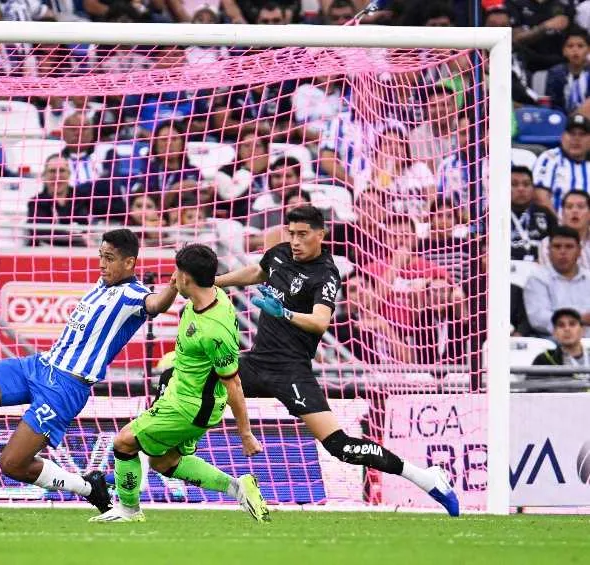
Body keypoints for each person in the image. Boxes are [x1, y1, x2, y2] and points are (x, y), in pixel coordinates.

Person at [0, 229, 179, 514]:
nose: (102, 264)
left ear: (129, 263)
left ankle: (89, 487)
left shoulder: (134, 294)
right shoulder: (103, 284)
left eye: (110, 258)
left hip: (65, 387)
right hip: (39, 365)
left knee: (12, 464)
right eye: (101, 256)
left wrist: (173, 286)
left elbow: (156, 304)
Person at [215, 205, 460, 516]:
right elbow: (257, 271)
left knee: (341, 447)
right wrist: (217, 282)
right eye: (292, 233)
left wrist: (285, 313)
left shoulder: (326, 274)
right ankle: (170, 463)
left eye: (303, 235)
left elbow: (320, 322)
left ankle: (427, 478)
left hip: (291, 372)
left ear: (321, 235)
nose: (295, 241)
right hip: (256, 362)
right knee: (187, 381)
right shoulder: (279, 254)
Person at [90, 244, 270, 523]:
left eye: (177, 272)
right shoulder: (213, 295)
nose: (173, 277)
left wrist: (245, 434)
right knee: (164, 462)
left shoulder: (213, 330)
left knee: (124, 442)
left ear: (186, 277)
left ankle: (128, 510)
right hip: (187, 396)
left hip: (189, 406)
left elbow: (234, 383)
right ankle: (238, 487)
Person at [523, 226, 590, 337]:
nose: (563, 252)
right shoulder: (537, 278)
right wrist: (580, 319)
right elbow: (538, 318)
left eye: (569, 247)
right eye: (557, 247)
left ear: (579, 251)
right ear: (548, 251)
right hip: (553, 342)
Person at [26, 155, 90, 246]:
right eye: (52, 171)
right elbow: (43, 232)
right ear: (44, 176)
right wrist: (78, 239)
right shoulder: (36, 202)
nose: (57, 176)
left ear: (69, 174)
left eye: (62, 170)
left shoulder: (83, 198)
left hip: (80, 254)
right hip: (45, 255)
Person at [532, 113, 590, 213]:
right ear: (562, 137)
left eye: (582, 134)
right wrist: (558, 225)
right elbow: (540, 196)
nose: (576, 139)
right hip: (555, 225)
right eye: (572, 133)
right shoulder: (550, 158)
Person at [529, 308, 590, 391]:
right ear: (554, 333)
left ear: (582, 330)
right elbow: (531, 397)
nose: (567, 329)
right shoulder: (544, 360)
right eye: (561, 325)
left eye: (572, 324)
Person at [511, 165, 556, 262]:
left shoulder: (546, 214)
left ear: (533, 188)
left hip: (539, 271)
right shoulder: (495, 214)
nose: (521, 189)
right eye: (514, 184)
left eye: (526, 184)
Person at [538, 190, 590, 269]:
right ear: (562, 213)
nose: (574, 211)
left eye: (580, 207)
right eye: (569, 207)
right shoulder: (548, 243)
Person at [546, 29, 590, 114]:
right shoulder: (555, 73)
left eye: (580, 46)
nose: (575, 50)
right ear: (564, 51)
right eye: (570, 46)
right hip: (562, 118)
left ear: (588, 50)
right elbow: (553, 103)